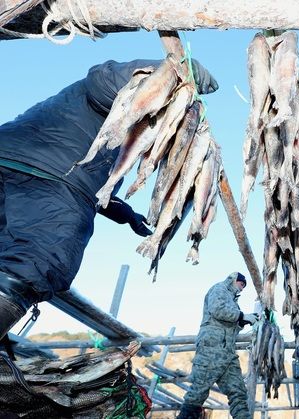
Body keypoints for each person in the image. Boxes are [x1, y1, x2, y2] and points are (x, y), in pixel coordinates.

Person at [0, 57, 218, 339]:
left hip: (28, 171)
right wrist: (172, 70)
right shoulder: (119, 92)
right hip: (49, 178)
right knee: (42, 258)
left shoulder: (119, 140)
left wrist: (127, 215)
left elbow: (97, 186)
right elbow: (102, 79)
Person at [177, 272, 260, 419]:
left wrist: (243, 321)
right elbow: (218, 310)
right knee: (198, 391)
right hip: (211, 349)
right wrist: (242, 316)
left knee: (238, 393)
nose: (242, 289)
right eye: (241, 285)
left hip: (227, 352)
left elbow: (230, 324)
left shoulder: (233, 301)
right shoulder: (219, 289)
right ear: (235, 280)